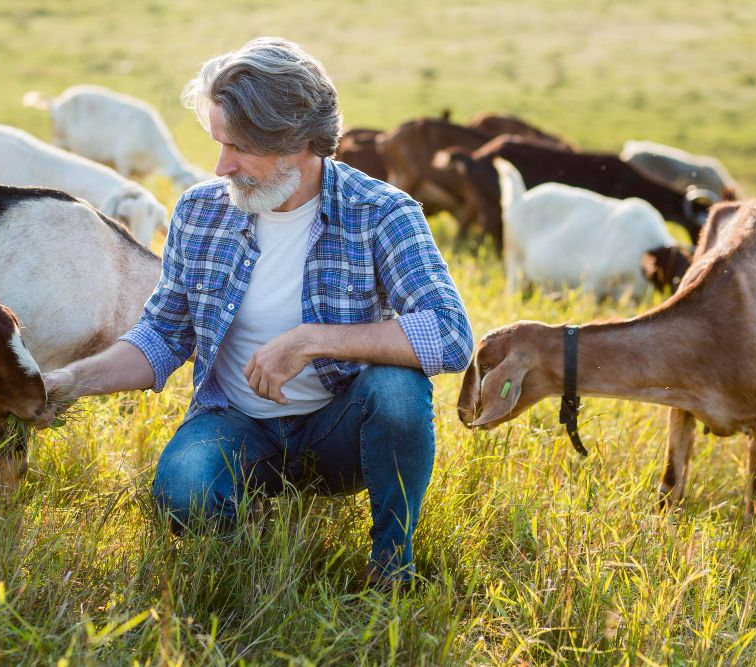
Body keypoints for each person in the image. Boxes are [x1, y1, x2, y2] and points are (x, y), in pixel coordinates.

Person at [43, 37, 473, 587]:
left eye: (238, 146)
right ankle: (250, 545)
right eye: (219, 143)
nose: (221, 165)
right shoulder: (201, 212)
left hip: (338, 432)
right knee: (184, 496)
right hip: (235, 424)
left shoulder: (382, 212)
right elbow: (162, 336)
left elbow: (450, 334)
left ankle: (392, 564)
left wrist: (312, 340)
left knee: (397, 389)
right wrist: (69, 381)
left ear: (295, 142)